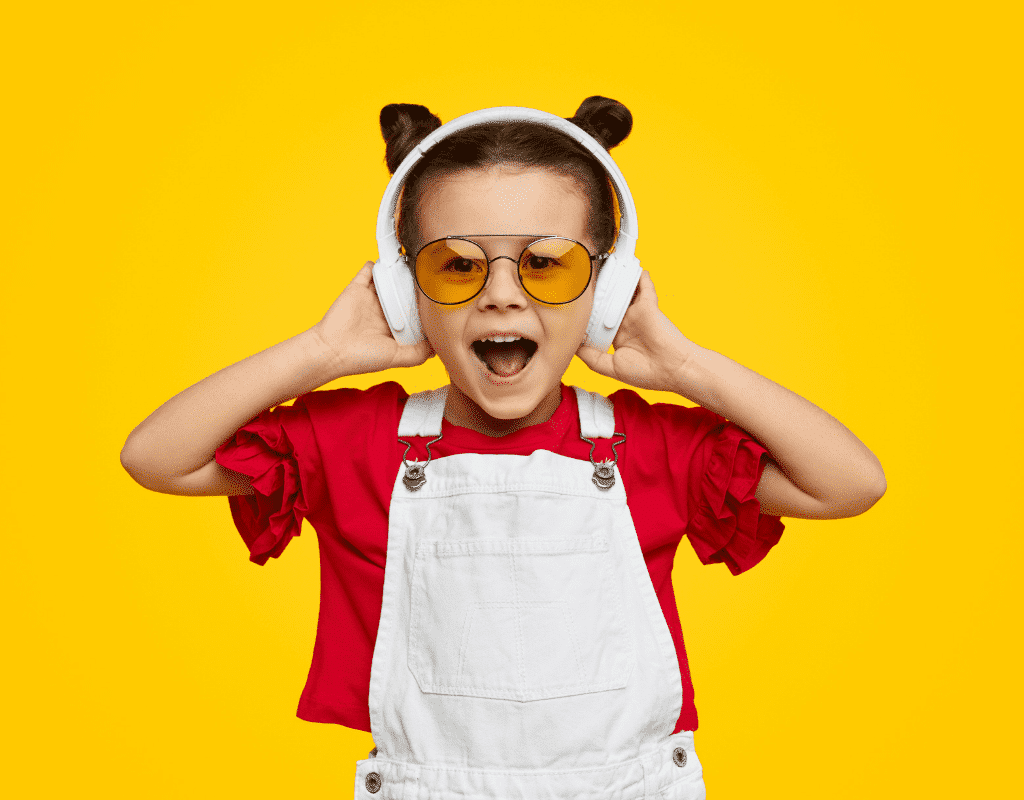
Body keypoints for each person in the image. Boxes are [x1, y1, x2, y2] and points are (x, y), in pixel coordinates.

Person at [121, 96, 886, 800]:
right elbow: (157, 458)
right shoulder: (354, 443)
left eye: (547, 263)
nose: (503, 293)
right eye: (456, 264)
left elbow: (848, 483)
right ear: (404, 290)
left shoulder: (649, 444)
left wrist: (685, 368)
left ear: (607, 290)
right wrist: (321, 352)